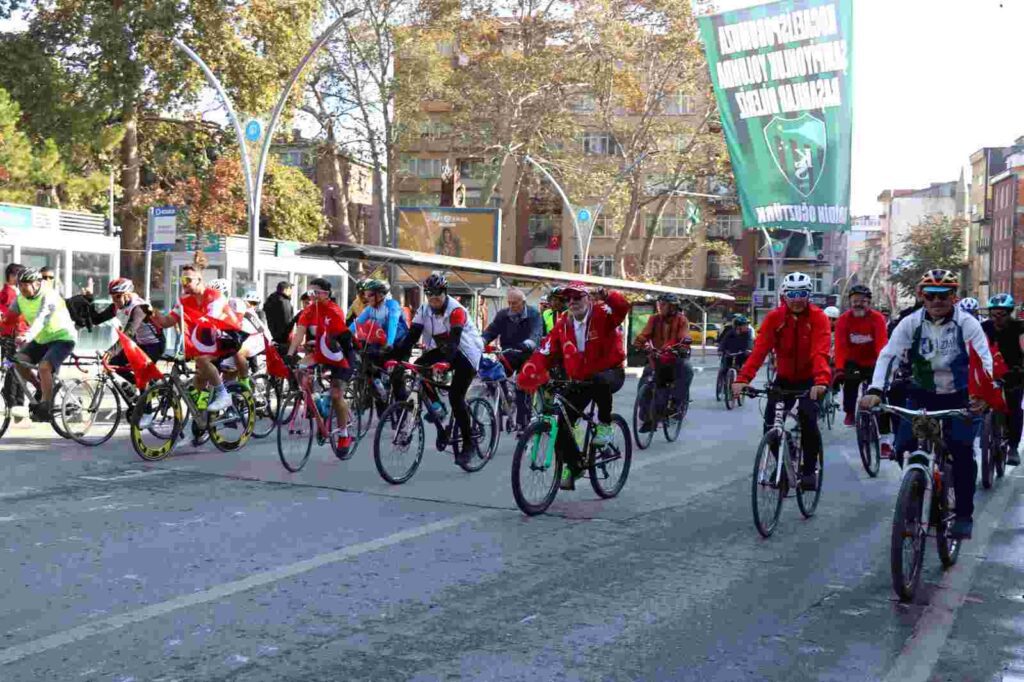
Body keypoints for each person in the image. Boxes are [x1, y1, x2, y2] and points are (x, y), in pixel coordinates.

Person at [861, 269, 991, 540]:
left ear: (953, 297)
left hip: (961, 395)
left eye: (943, 295)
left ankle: (964, 513)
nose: (936, 301)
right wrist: (875, 389)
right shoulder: (910, 323)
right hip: (922, 394)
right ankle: (920, 488)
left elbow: (982, 358)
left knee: (962, 451)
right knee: (903, 448)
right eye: (930, 295)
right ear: (921, 295)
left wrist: (981, 394)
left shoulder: (967, 324)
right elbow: (888, 356)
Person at [518, 281, 630, 489]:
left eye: (578, 297)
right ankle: (575, 465)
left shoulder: (602, 313)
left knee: (599, 380)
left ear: (588, 299)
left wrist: (607, 295)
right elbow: (547, 350)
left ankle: (604, 425)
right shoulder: (563, 323)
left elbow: (622, 308)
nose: (573, 302)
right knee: (560, 424)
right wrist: (531, 372)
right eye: (569, 298)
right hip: (581, 379)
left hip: (611, 372)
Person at [732, 272, 830, 491]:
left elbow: (820, 352)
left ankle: (808, 471)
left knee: (808, 419)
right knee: (770, 424)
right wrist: (743, 378)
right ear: (784, 295)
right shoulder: (774, 318)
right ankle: (784, 467)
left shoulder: (818, 317)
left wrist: (821, 381)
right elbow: (759, 351)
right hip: (784, 378)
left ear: (809, 295)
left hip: (811, 380)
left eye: (802, 293)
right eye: (791, 294)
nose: (796, 299)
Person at [394, 273, 485, 466]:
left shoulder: (456, 310)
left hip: (466, 353)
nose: (433, 298)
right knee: (419, 366)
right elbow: (411, 337)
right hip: (445, 350)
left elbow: (454, 342)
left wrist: (445, 363)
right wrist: (395, 358)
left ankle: (468, 444)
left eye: (437, 294)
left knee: (455, 396)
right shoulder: (424, 309)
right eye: (429, 294)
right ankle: (437, 407)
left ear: (445, 293)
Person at [150, 265, 235, 413]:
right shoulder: (184, 301)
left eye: (188, 279)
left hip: (228, 336)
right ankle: (201, 423)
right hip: (206, 340)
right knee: (199, 382)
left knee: (201, 360)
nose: (184, 283)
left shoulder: (214, 296)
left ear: (199, 280)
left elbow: (209, 323)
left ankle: (223, 395)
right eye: (182, 279)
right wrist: (153, 314)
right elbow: (166, 322)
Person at [286, 278, 355, 457]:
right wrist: (290, 353)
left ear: (327, 294)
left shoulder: (334, 310)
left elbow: (335, 336)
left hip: (341, 355)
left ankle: (343, 434)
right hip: (321, 352)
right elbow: (299, 333)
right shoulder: (308, 311)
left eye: (317, 293)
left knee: (336, 394)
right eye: (311, 293)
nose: (313, 296)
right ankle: (318, 406)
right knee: (298, 369)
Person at [1, 268, 78, 420]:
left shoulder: (49, 295)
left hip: (62, 338)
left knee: (44, 367)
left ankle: (46, 406)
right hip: (41, 339)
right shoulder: (20, 299)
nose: (22, 288)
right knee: (19, 362)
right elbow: (9, 319)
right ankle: (40, 388)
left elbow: (42, 318)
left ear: (37, 284)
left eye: (26, 285)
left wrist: (27, 335)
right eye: (20, 285)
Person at [481, 287, 543, 430]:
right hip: (508, 353)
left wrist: (528, 344)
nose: (511, 306)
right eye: (509, 303)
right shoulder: (503, 315)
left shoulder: (533, 314)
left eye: (514, 303)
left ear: (523, 302)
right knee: (492, 375)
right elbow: (491, 331)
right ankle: (506, 400)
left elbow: (536, 333)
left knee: (521, 384)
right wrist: (482, 341)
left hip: (527, 354)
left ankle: (522, 423)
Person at [632, 293, 693, 432]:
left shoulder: (681, 320)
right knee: (645, 382)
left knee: (687, 370)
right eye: (659, 304)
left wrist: (683, 346)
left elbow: (684, 336)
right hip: (657, 357)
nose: (660, 307)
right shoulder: (654, 319)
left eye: (663, 304)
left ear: (672, 307)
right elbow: (645, 334)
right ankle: (647, 417)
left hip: (675, 357)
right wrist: (638, 343)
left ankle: (677, 405)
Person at [834, 285, 888, 431]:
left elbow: (882, 345)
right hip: (854, 362)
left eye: (862, 301)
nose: (858, 304)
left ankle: (881, 426)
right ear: (850, 302)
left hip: (873, 362)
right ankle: (850, 412)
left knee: (879, 390)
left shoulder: (877, 318)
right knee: (850, 383)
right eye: (855, 301)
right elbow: (840, 347)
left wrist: (883, 369)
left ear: (869, 303)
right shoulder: (843, 320)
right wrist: (839, 369)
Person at [982, 293, 1023, 466]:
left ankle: (1013, 447)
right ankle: (985, 432)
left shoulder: (1019, 327)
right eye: (994, 314)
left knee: (1014, 406)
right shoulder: (984, 327)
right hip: (989, 372)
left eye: (1002, 314)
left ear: (1010, 312)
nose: (997, 318)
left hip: (1015, 372)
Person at [103, 278, 165, 388]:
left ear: (128, 293)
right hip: (140, 344)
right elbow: (96, 318)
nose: (115, 301)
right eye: (112, 297)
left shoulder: (139, 307)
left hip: (155, 344)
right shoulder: (117, 306)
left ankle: (145, 402)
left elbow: (128, 333)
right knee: (113, 363)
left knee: (142, 375)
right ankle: (147, 387)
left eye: (118, 296)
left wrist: (111, 351)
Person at [349, 278, 409, 355]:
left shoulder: (392, 305)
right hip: (383, 340)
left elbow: (392, 324)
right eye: (365, 294)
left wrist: (389, 342)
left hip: (400, 341)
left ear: (380, 295)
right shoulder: (370, 309)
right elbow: (357, 323)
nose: (366, 298)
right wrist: (345, 335)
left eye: (370, 295)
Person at [0, 263, 26, 416]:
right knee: (13, 367)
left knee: (12, 366)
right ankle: (14, 401)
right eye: (19, 275)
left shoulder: (12, 292)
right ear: (12, 276)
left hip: (12, 336)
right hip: (12, 337)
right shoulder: (9, 294)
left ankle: (15, 400)